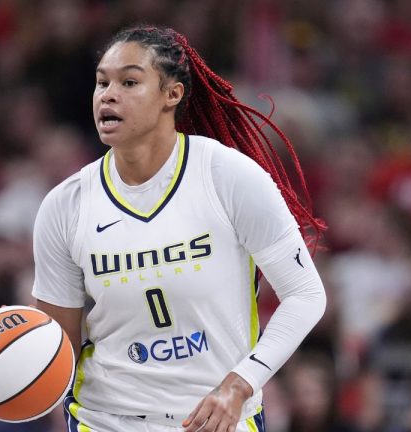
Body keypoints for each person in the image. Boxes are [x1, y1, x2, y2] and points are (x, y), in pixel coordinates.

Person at [32, 25, 327, 432]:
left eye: (129, 81)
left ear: (173, 94)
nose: (108, 94)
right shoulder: (64, 205)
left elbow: (306, 294)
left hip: (217, 417)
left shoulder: (227, 175)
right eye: (102, 82)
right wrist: (17, 371)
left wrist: (241, 384)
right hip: (106, 420)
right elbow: (57, 347)